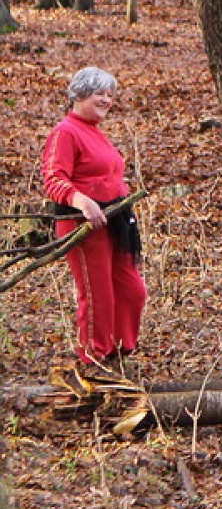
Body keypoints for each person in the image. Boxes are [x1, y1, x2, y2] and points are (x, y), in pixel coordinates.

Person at [40, 67, 147, 373]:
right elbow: (53, 179)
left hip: (114, 222)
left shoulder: (96, 132)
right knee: (96, 292)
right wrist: (81, 200)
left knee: (132, 290)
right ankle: (95, 357)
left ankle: (120, 348)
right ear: (81, 94)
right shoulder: (65, 132)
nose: (106, 100)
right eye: (100, 93)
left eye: (110, 95)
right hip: (84, 225)